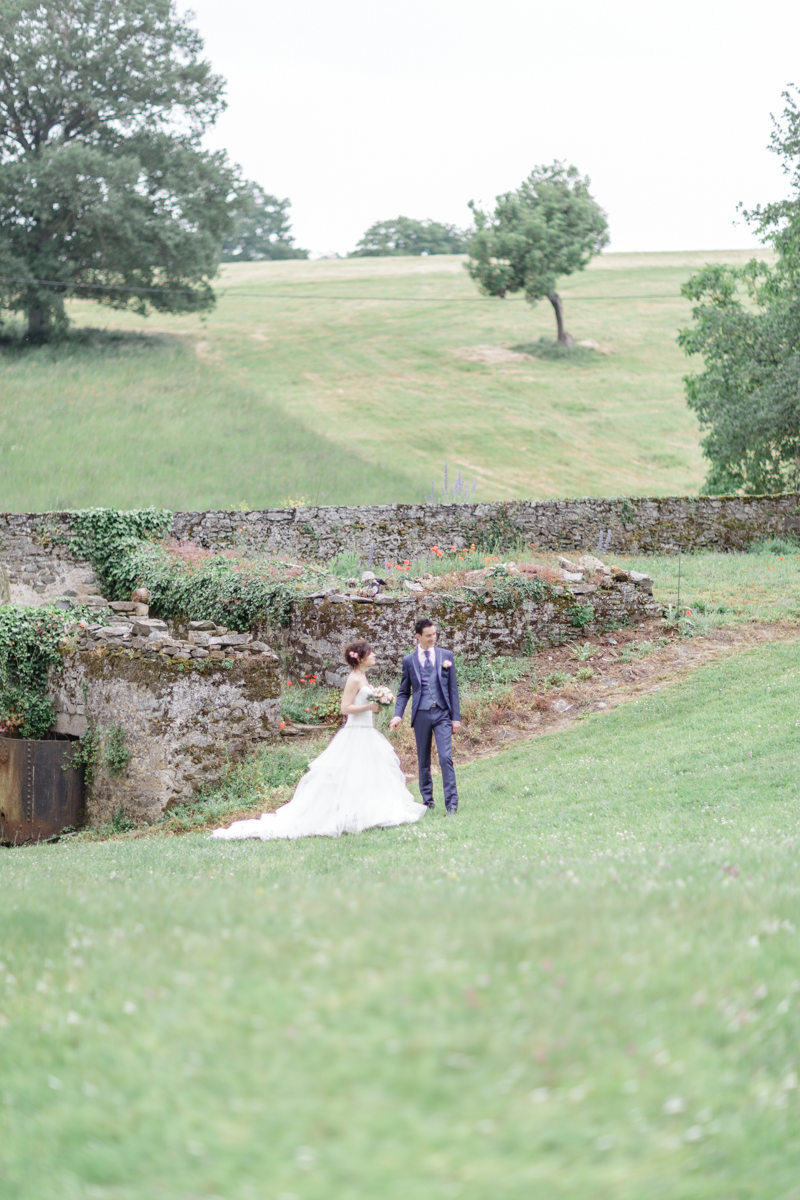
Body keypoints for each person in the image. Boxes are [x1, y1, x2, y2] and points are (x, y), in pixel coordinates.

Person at [210, 640, 426, 841]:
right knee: (349, 774)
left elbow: (364, 704)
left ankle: (369, 813)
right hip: (355, 732)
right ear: (359, 658)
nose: (375, 655)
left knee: (368, 773)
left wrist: (378, 704)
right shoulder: (354, 678)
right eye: (370, 653)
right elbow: (345, 708)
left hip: (366, 731)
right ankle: (344, 815)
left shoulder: (363, 677)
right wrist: (370, 706)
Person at [389, 618, 461, 816]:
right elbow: (404, 692)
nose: (433, 638)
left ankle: (452, 805)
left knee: (445, 757)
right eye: (429, 635)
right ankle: (427, 801)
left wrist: (456, 718)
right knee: (423, 760)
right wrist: (398, 715)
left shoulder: (446, 656)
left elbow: (453, 689)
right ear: (418, 636)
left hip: (442, 713)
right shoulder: (409, 661)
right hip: (421, 713)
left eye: (435, 634)